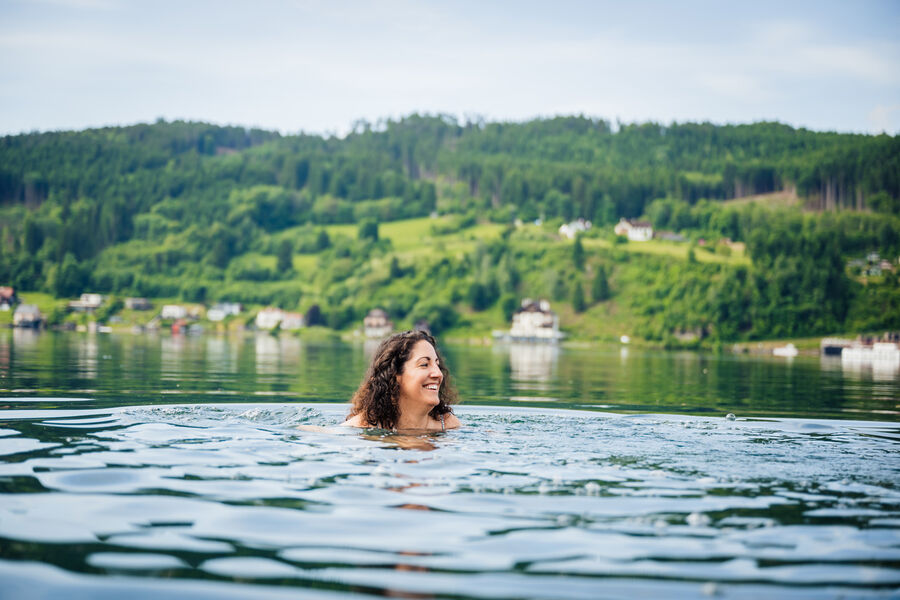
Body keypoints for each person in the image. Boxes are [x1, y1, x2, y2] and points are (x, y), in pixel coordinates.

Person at [342, 330, 460, 431]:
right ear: (394, 374)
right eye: (424, 364)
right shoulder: (361, 427)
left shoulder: (449, 425)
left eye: (437, 365)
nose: (438, 374)